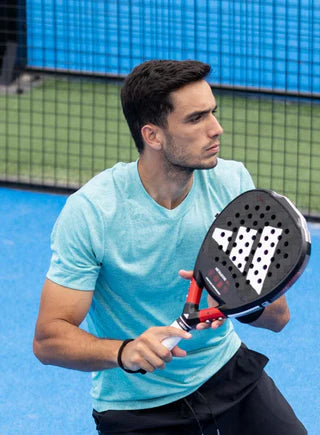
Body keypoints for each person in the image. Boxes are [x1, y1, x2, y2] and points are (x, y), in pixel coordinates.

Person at [33, 60, 307, 435]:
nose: (216, 128)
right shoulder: (93, 212)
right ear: (153, 135)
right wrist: (124, 351)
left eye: (213, 112)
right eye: (196, 119)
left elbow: (277, 318)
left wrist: (232, 294)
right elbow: (49, 338)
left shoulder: (231, 183)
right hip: (137, 407)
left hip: (225, 371)